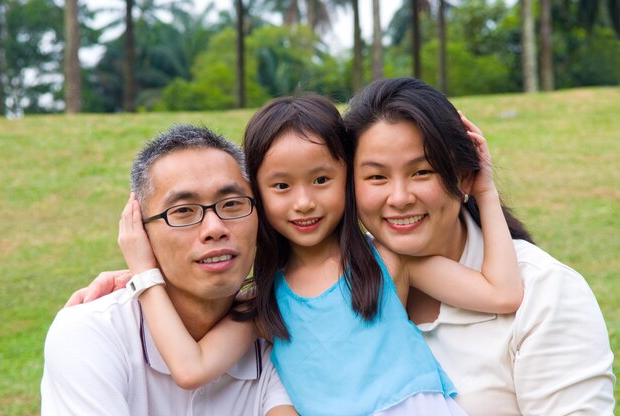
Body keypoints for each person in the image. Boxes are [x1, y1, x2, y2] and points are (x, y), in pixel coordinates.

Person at [112, 93, 524, 415]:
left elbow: (502, 294)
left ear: (348, 176)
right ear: (254, 192)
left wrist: (484, 191)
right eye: (281, 186)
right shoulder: (266, 301)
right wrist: (143, 273)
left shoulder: (388, 260)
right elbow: (191, 368)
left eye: (321, 179)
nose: (304, 202)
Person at [344, 77, 616, 415]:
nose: (399, 198)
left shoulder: (546, 292)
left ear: (462, 176)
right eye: (376, 177)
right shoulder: (333, 286)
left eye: (422, 172)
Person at [40, 125, 296, 415]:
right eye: (183, 211)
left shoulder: (280, 330)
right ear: (139, 230)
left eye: (232, 204)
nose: (215, 229)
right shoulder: (93, 333)